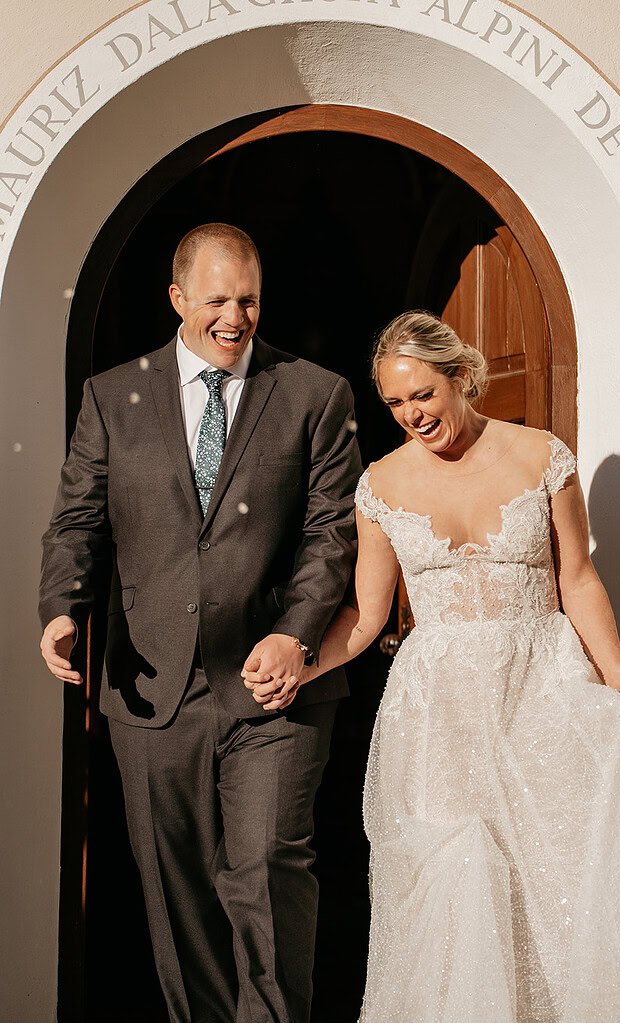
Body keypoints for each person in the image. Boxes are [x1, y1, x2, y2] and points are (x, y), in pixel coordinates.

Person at [245, 311, 620, 1022]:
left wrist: (619, 678)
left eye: (423, 394)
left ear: (460, 376)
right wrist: (299, 660)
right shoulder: (380, 485)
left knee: (553, 873)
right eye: (395, 402)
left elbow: (576, 577)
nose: (411, 415)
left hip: (542, 690)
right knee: (457, 876)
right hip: (438, 713)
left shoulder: (541, 456)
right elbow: (365, 616)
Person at [39, 223, 362, 1023]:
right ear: (177, 297)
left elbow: (332, 530)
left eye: (248, 299)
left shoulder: (315, 393)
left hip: (276, 686)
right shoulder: (111, 396)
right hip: (152, 687)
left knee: (266, 866)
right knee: (176, 885)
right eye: (217, 299)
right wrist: (62, 609)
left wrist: (296, 633)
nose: (234, 317)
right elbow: (77, 521)